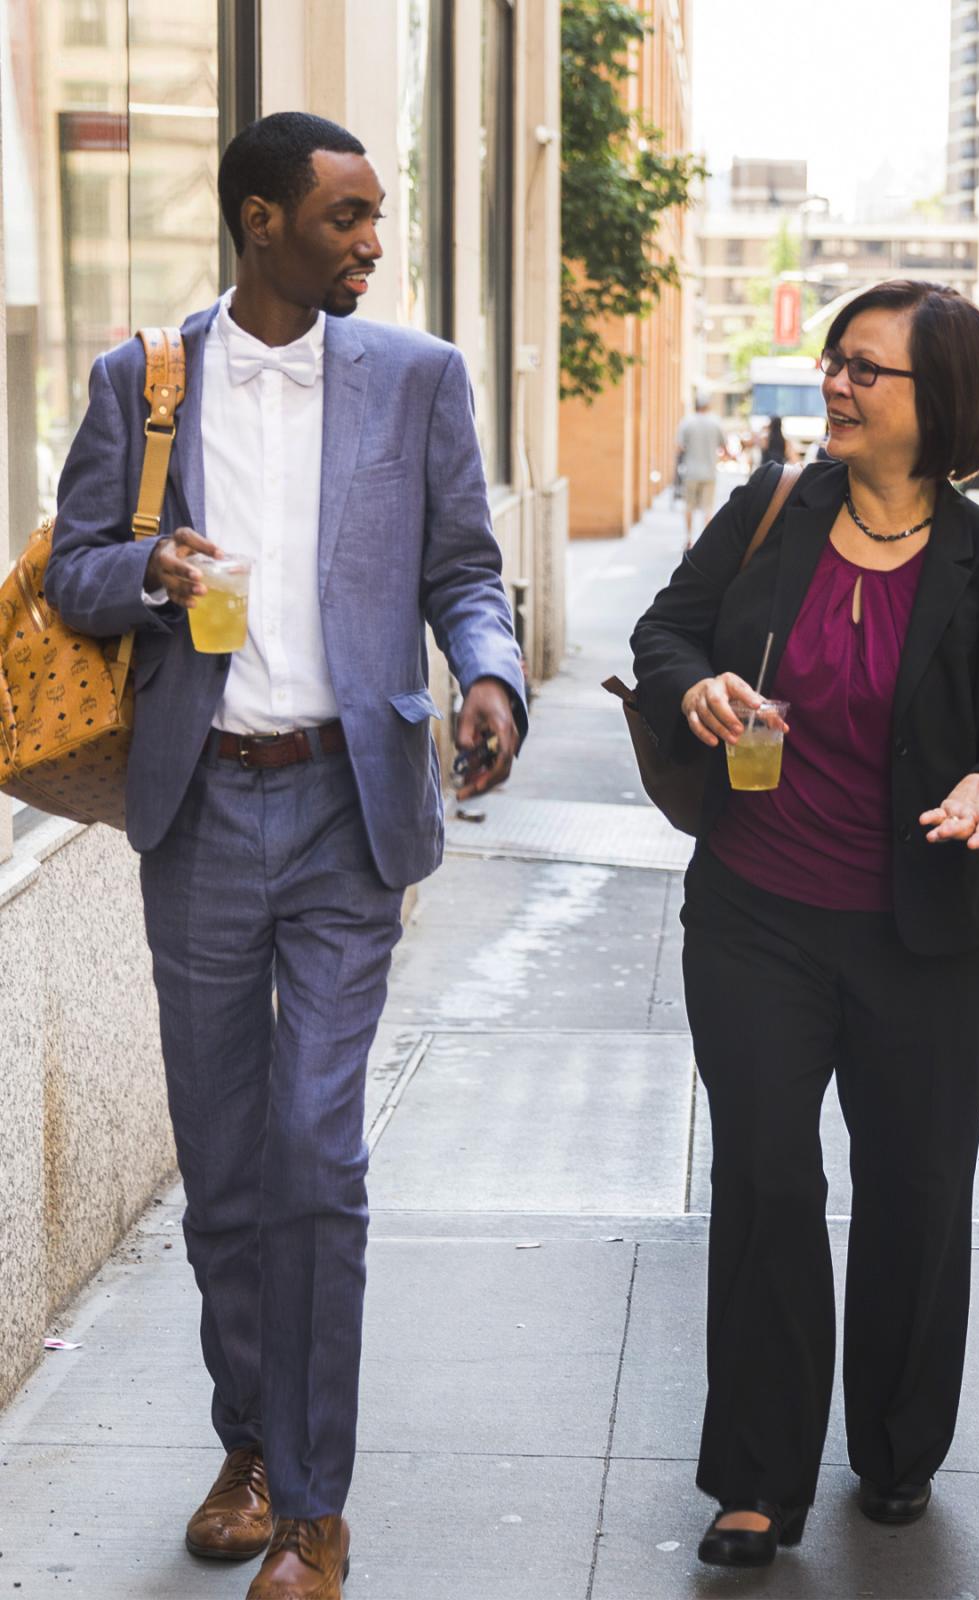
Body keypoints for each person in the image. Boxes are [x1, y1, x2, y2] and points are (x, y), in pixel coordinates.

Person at [45, 112, 526, 1600]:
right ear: (262, 221)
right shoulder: (146, 380)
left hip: (345, 807)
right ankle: (246, 1442)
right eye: (347, 217)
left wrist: (492, 673)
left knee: (319, 1150)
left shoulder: (420, 378)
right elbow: (69, 565)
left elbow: (464, 566)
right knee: (228, 1161)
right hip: (196, 811)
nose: (373, 240)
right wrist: (149, 568)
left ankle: (316, 1508)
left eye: (378, 216)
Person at [631, 279, 979, 1568]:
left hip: (923, 933)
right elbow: (664, 631)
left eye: (867, 369)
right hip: (755, 913)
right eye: (836, 360)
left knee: (915, 1191)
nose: (837, 382)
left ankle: (893, 1445)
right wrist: (697, 682)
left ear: (942, 408)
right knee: (766, 1176)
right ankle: (757, 1478)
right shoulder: (772, 514)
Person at [678, 395, 728, 549]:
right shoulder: (715, 422)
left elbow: (680, 446)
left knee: (689, 506)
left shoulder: (687, 422)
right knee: (708, 508)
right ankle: (704, 543)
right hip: (709, 472)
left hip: (690, 472)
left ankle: (688, 538)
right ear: (708, 406)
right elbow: (724, 446)